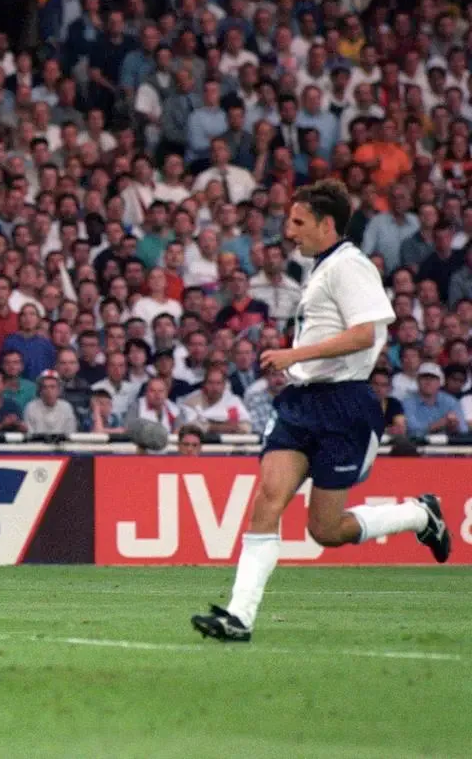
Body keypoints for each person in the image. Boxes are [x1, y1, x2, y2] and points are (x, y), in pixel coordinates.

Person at [193, 181, 451, 644]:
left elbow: (365, 335)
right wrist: (299, 364)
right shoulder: (322, 267)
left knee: (326, 530)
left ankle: (419, 515)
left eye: (298, 222)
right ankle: (239, 616)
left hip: (343, 405)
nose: (289, 232)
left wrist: (294, 354)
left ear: (327, 224)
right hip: (302, 403)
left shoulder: (350, 267)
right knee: (267, 499)